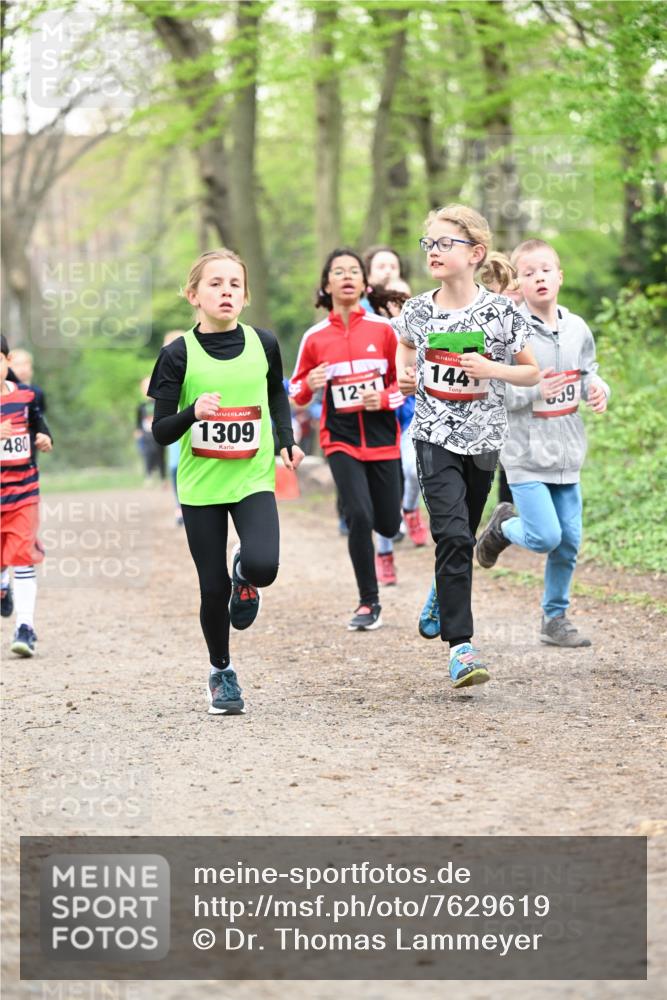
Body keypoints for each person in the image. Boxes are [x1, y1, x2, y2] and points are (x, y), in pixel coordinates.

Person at [148, 249, 303, 715]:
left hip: (252, 475)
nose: (226, 292)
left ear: (246, 294)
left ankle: (246, 576)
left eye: (235, 284)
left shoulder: (264, 343)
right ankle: (221, 673)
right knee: (211, 588)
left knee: (265, 566)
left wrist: (285, 439)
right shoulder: (177, 355)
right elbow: (159, 432)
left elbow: (277, 390)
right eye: (215, 284)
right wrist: (193, 413)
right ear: (194, 295)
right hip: (201, 486)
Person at [395, 205, 539, 687]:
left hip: (484, 440)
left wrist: (491, 369)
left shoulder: (499, 312)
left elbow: (530, 370)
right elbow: (405, 353)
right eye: (429, 243)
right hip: (434, 436)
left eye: (445, 243)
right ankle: (461, 648)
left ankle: (443, 586)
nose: (433, 251)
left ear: (475, 253)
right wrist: (404, 374)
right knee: (454, 536)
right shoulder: (417, 309)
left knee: (463, 532)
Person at [475, 238, 610, 647]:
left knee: (568, 543)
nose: (538, 278)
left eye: (545, 270)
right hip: (525, 454)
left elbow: (587, 371)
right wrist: (536, 391)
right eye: (528, 273)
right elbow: (494, 389)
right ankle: (502, 526)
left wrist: (598, 388)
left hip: (568, 453)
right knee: (545, 536)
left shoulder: (578, 328)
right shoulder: (512, 333)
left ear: (559, 276)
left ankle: (555, 619)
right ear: (519, 281)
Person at [290, 248, 403, 630]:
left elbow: (406, 384)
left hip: (383, 438)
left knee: (387, 524)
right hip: (340, 439)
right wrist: (310, 383)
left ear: (365, 283)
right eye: (338, 271)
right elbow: (296, 393)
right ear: (327, 285)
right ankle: (368, 602)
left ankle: (390, 525)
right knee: (359, 515)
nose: (347, 276)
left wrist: (384, 398)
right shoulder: (315, 337)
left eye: (354, 270)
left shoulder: (384, 331)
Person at [362, 252, 429, 588]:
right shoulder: (369, 328)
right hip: (378, 421)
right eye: (393, 300)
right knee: (380, 492)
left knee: (410, 469)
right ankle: (384, 554)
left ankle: (410, 507)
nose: (399, 303)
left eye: (404, 298)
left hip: (413, 414)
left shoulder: (422, 324)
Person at [0, 335, 53, 656]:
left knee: (21, 555)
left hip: (23, 491)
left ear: (7, 362)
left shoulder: (25, 396)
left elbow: (39, 425)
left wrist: (45, 438)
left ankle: (25, 626)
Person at [162, 330, 188, 525]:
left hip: (193, 425)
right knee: (174, 467)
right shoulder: (164, 370)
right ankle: (179, 505)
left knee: (190, 465)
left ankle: (190, 504)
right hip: (173, 425)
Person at [136, 377, 165, 484]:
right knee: (147, 454)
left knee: (160, 454)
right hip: (146, 434)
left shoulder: (158, 403)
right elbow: (138, 420)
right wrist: (138, 430)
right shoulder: (141, 406)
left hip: (157, 433)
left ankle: (163, 478)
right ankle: (148, 475)